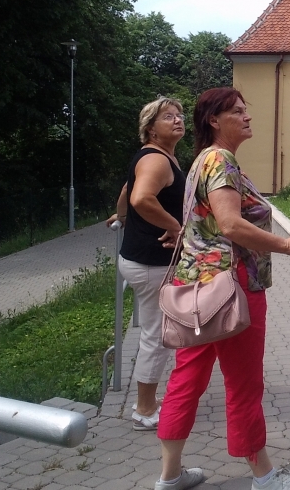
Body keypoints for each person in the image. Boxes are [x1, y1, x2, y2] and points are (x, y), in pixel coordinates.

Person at [154, 87, 290, 490]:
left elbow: (205, 223)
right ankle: (265, 477)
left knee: (186, 379)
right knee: (243, 383)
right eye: (238, 111)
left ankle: (169, 476)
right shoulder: (222, 160)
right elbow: (230, 224)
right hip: (232, 288)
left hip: (195, 289)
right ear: (214, 120)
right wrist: (287, 245)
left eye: (246, 110)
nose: (247, 117)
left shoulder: (199, 162)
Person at [106, 97, 186, 432]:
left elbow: (128, 191)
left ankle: (147, 401)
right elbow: (141, 197)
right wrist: (175, 227)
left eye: (179, 115)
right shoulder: (157, 159)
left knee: (155, 331)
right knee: (157, 336)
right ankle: (144, 409)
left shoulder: (157, 156)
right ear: (151, 128)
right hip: (152, 262)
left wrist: (122, 217)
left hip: (140, 258)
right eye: (168, 116)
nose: (178, 119)